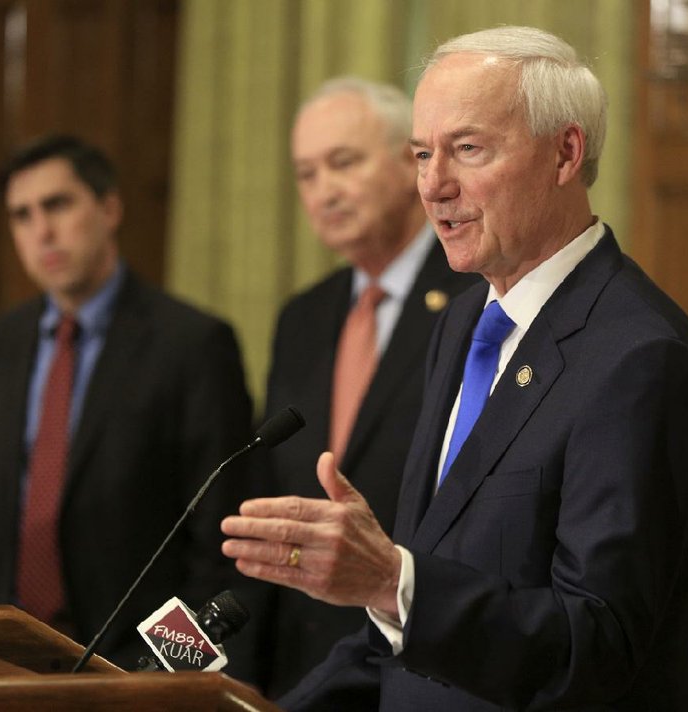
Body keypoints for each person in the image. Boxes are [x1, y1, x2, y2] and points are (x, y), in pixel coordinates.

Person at [220, 26, 688, 710]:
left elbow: (596, 646)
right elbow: (411, 628)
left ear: (565, 154)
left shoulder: (639, 358)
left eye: (467, 149)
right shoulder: (462, 324)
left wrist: (393, 580)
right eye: (423, 153)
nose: (433, 185)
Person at [0, 134, 254, 668]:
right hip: (4, 655)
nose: (41, 230)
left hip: (130, 664)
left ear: (109, 208)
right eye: (22, 215)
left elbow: (219, 541)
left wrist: (163, 676)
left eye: (58, 204)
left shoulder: (192, 344)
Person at [257, 77, 476, 696]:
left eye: (342, 162)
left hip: (422, 660)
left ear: (412, 163)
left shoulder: (474, 299)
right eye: (306, 174)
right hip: (304, 666)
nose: (324, 190)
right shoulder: (302, 317)